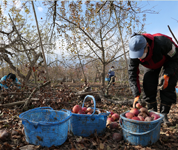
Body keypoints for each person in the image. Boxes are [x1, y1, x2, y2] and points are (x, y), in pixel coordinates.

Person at [128, 32, 178, 126]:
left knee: (167, 84)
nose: (139, 56)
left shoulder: (163, 42)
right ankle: (152, 112)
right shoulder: (134, 54)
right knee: (148, 83)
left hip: (170, 61)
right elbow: (132, 74)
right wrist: (136, 94)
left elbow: (175, 58)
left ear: (147, 45)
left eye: (141, 53)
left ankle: (164, 114)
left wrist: (167, 75)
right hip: (151, 64)